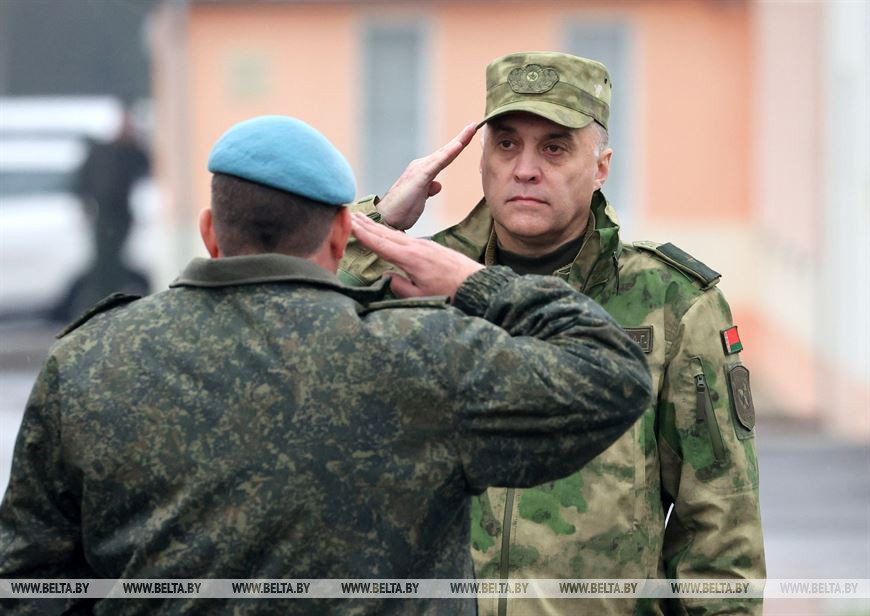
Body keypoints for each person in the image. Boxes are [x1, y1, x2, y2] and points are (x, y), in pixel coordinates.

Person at [0, 115, 652, 615]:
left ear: (209, 230)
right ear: (342, 234)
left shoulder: (89, 360)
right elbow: (610, 371)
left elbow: (30, 585)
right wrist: (475, 282)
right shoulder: (426, 358)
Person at [339, 51, 765, 615]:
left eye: (555, 148)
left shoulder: (673, 303)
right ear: (483, 157)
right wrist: (379, 227)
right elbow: (290, 333)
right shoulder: (415, 279)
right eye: (507, 143)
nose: (525, 169)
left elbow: (719, 525)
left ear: (601, 166)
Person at [52, 106, 151, 322]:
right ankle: (99, 307)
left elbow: (146, 165)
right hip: (104, 215)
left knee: (115, 264)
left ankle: (110, 306)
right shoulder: (100, 152)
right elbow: (84, 182)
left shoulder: (128, 151)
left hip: (121, 215)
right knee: (103, 266)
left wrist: (136, 141)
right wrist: (86, 206)